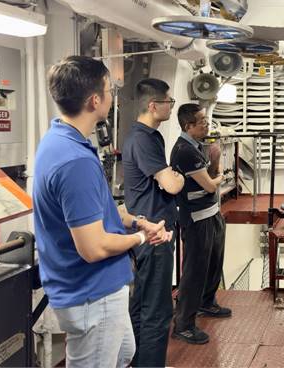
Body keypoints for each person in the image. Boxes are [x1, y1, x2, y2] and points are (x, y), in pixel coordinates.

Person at [33, 56, 171, 367]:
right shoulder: (74, 161)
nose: (112, 96)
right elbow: (93, 248)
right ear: (95, 100)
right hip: (92, 294)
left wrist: (137, 222)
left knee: (124, 354)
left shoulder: (60, 141)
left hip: (97, 290)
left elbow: (99, 211)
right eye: (110, 90)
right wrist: (140, 239)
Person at [122, 78, 184, 367]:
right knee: (156, 310)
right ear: (153, 104)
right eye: (168, 101)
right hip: (153, 234)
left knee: (143, 303)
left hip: (150, 229)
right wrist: (179, 177)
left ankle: (139, 361)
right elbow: (171, 184)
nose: (171, 106)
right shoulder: (144, 138)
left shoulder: (150, 136)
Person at [170, 103, 230, 345]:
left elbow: (210, 176)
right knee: (194, 271)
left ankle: (207, 302)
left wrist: (215, 167)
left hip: (211, 213)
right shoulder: (184, 151)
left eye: (207, 120)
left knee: (214, 262)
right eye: (203, 122)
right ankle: (183, 325)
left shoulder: (198, 147)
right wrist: (220, 176)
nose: (208, 125)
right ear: (188, 126)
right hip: (196, 219)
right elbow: (209, 185)